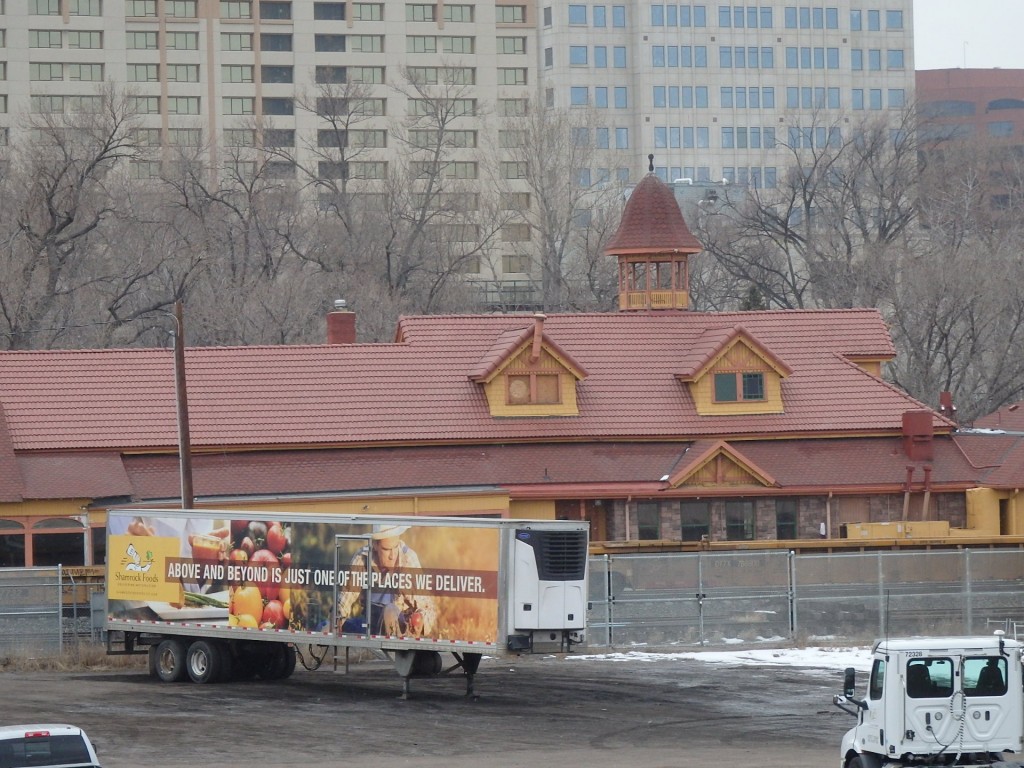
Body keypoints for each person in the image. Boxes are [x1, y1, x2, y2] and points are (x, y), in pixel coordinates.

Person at [337, 524, 437, 637]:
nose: (392, 555)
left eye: (395, 547)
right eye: (386, 549)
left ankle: (393, 648)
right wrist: (336, 620)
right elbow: (345, 597)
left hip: (400, 627)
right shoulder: (363, 557)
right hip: (370, 625)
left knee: (389, 610)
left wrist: (420, 619)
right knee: (326, 625)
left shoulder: (408, 559)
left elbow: (428, 607)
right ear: (375, 545)